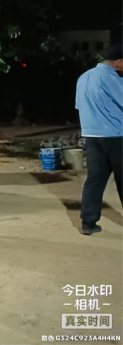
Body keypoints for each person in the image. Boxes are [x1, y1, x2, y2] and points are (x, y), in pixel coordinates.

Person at [75, 43, 123, 236]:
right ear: (119, 62)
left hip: (92, 136)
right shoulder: (110, 78)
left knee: (94, 180)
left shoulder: (83, 77)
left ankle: (88, 223)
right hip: (116, 136)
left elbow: (79, 106)